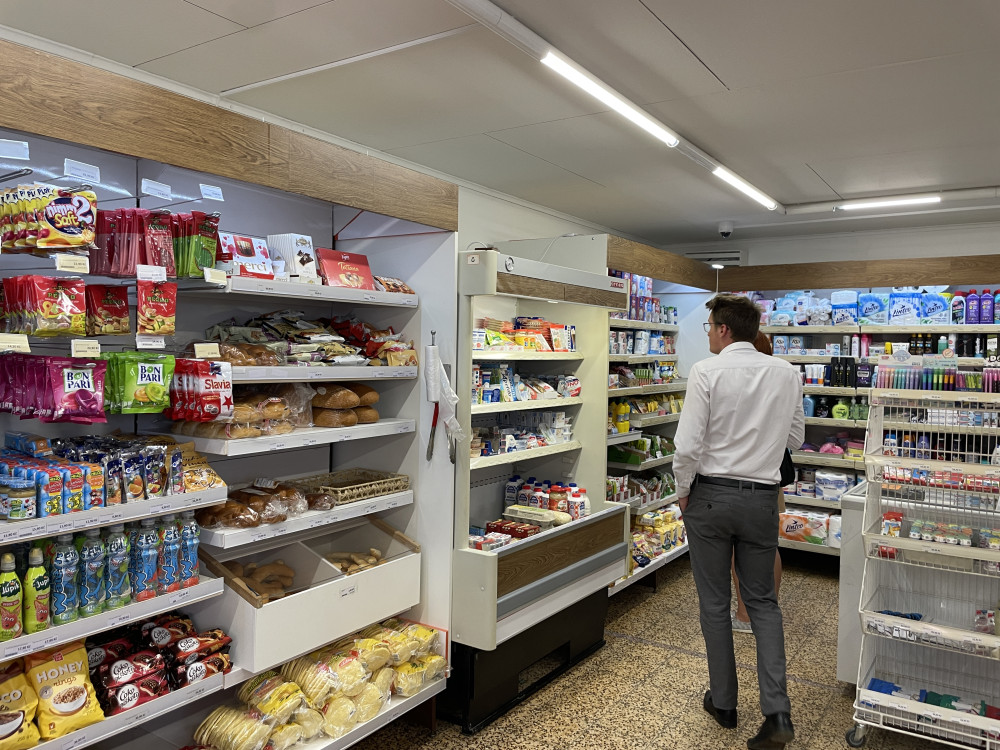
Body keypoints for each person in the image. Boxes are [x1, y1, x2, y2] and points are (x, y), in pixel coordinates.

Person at [673, 294, 804, 750]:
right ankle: (777, 714)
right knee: (763, 603)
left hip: (711, 496)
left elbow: (688, 445)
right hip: (762, 500)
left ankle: (725, 703)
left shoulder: (705, 372)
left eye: (709, 326)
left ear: (724, 329)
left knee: (715, 604)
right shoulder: (787, 373)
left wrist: (683, 490)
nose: (708, 333)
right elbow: (795, 437)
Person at [732, 331, 785, 634]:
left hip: (742, 479)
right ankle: (766, 608)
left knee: (739, 550)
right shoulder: (778, 382)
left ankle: (745, 615)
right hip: (770, 476)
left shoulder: (740, 384)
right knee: (767, 546)